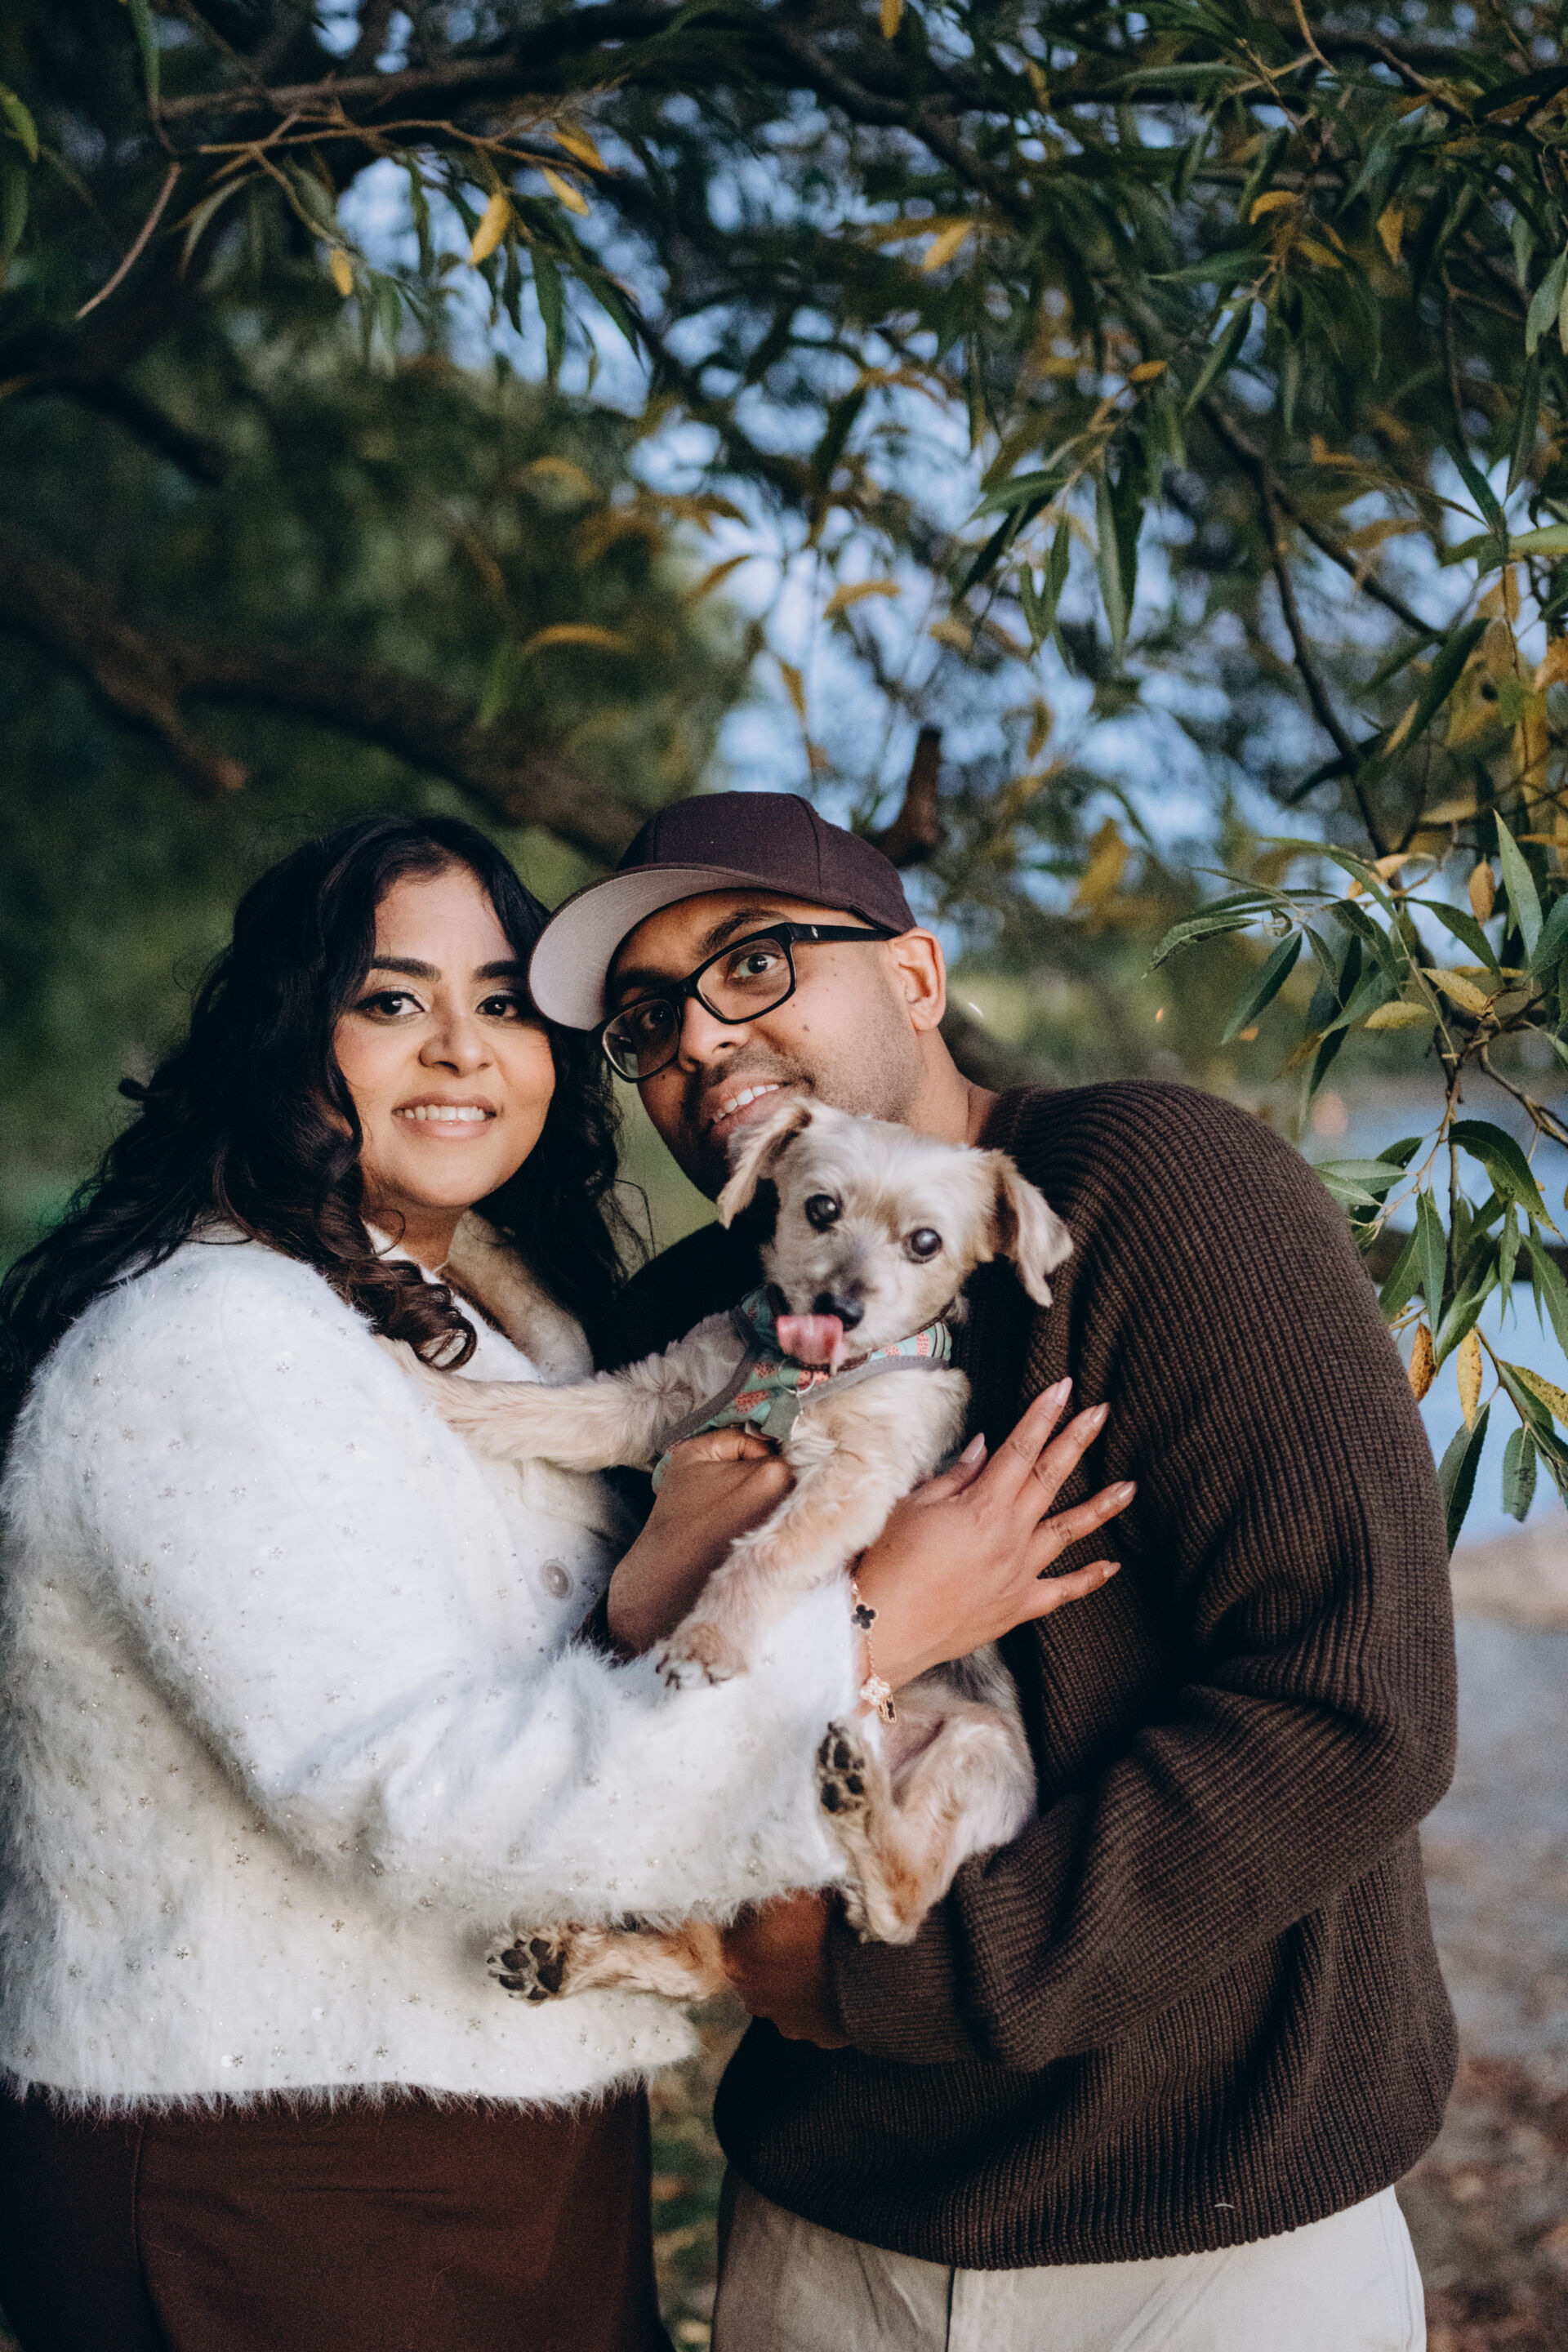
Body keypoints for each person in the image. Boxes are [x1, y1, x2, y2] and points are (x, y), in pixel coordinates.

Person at [0, 813, 1117, 2352]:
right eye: (390, 999)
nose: (462, 1048)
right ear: (288, 1038)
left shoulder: (489, 1332)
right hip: (265, 2162)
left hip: (512, 2137)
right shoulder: (209, 1344)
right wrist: (869, 1635)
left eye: (503, 1004)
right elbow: (407, 1794)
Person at [528, 789, 1457, 2352]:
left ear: (915, 976)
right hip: (826, 2239)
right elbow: (607, 1727)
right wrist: (845, 1614)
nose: (699, 1038)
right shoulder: (692, 1320)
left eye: (752, 962)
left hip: (1207, 2251)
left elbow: (1358, 1703)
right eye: (647, 1019)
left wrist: (907, 1979)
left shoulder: (1158, 1189)